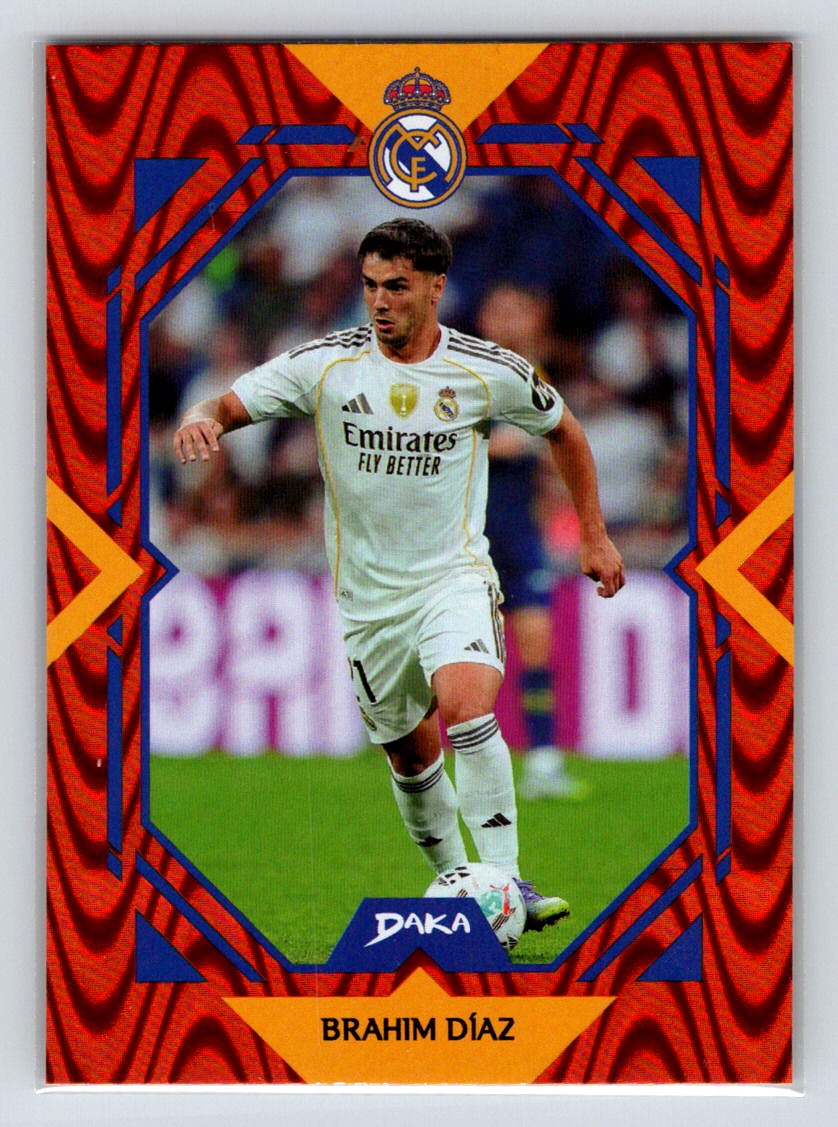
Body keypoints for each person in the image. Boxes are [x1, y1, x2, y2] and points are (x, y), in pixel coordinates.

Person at [173, 218, 625, 933]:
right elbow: (225, 404)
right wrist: (200, 419)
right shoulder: (325, 363)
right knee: (412, 758)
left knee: (467, 707)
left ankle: (507, 882)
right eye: (371, 286)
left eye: (397, 286)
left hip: (453, 577)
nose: (381, 301)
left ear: (436, 287)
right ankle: (458, 880)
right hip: (368, 602)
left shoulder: (486, 369)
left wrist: (594, 534)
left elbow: (564, 429)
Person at [475, 283, 590, 800]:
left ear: (535, 319)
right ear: (484, 318)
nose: (509, 321)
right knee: (462, 658)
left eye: (518, 311)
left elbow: (551, 447)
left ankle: (543, 761)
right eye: (500, 311)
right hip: (469, 535)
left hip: (520, 533)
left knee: (537, 646)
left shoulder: (536, 379)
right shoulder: (464, 374)